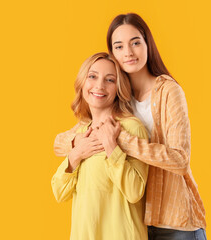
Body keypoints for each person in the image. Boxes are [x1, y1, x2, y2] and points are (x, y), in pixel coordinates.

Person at [54, 13, 207, 240]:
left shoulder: (168, 91)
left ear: (148, 44)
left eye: (135, 42)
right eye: (119, 46)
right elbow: (60, 142)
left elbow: (181, 160)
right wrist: (80, 144)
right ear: (112, 54)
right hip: (138, 220)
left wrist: (122, 141)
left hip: (173, 221)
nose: (128, 52)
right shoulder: (117, 99)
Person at [51, 52, 149, 240]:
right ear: (82, 82)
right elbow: (59, 193)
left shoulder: (131, 128)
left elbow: (135, 191)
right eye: (92, 76)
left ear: (119, 88)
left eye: (110, 80)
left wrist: (112, 147)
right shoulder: (81, 133)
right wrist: (75, 155)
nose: (99, 86)